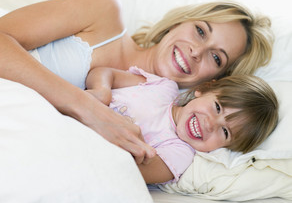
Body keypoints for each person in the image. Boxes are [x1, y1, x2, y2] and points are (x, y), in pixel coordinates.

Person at [0, 0, 274, 164]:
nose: (197, 51)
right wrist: (85, 106)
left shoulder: (169, 134)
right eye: (200, 31)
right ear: (180, 21)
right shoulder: (103, 10)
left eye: (216, 57)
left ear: (215, 81)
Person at [86, 66, 279, 184]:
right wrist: (102, 91)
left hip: (84, 150)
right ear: (204, 89)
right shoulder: (163, 87)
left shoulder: (180, 154)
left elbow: (129, 171)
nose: (210, 124)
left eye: (225, 131)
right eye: (217, 107)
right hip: (67, 109)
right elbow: (105, 72)